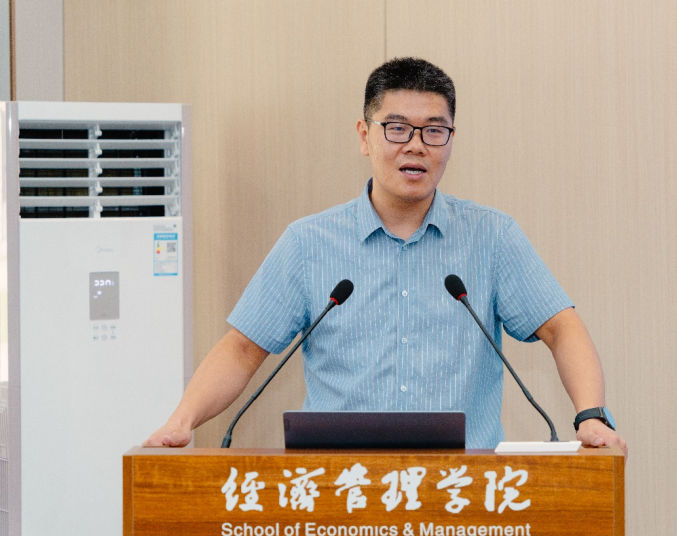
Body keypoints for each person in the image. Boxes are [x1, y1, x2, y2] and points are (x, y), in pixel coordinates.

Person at [144, 58, 627, 456]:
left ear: (451, 140)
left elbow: (561, 327)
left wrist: (591, 415)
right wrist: (182, 421)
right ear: (364, 135)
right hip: (339, 490)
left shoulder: (492, 237)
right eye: (397, 128)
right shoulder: (308, 243)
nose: (415, 145)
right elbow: (242, 349)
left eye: (434, 131)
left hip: (463, 493)